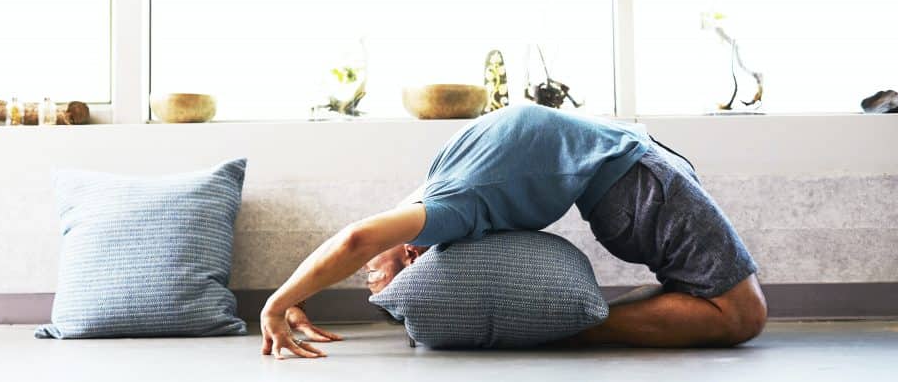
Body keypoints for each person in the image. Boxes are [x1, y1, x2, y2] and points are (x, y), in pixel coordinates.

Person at [260, 105, 767, 359]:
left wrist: (278, 302)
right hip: (633, 176)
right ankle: (578, 327)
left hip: (638, 179)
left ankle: (575, 329)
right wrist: (301, 294)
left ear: (412, 254)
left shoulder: (447, 204)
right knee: (732, 309)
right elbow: (360, 242)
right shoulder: (441, 181)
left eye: (373, 277)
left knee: (741, 315)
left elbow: (355, 240)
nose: (369, 280)